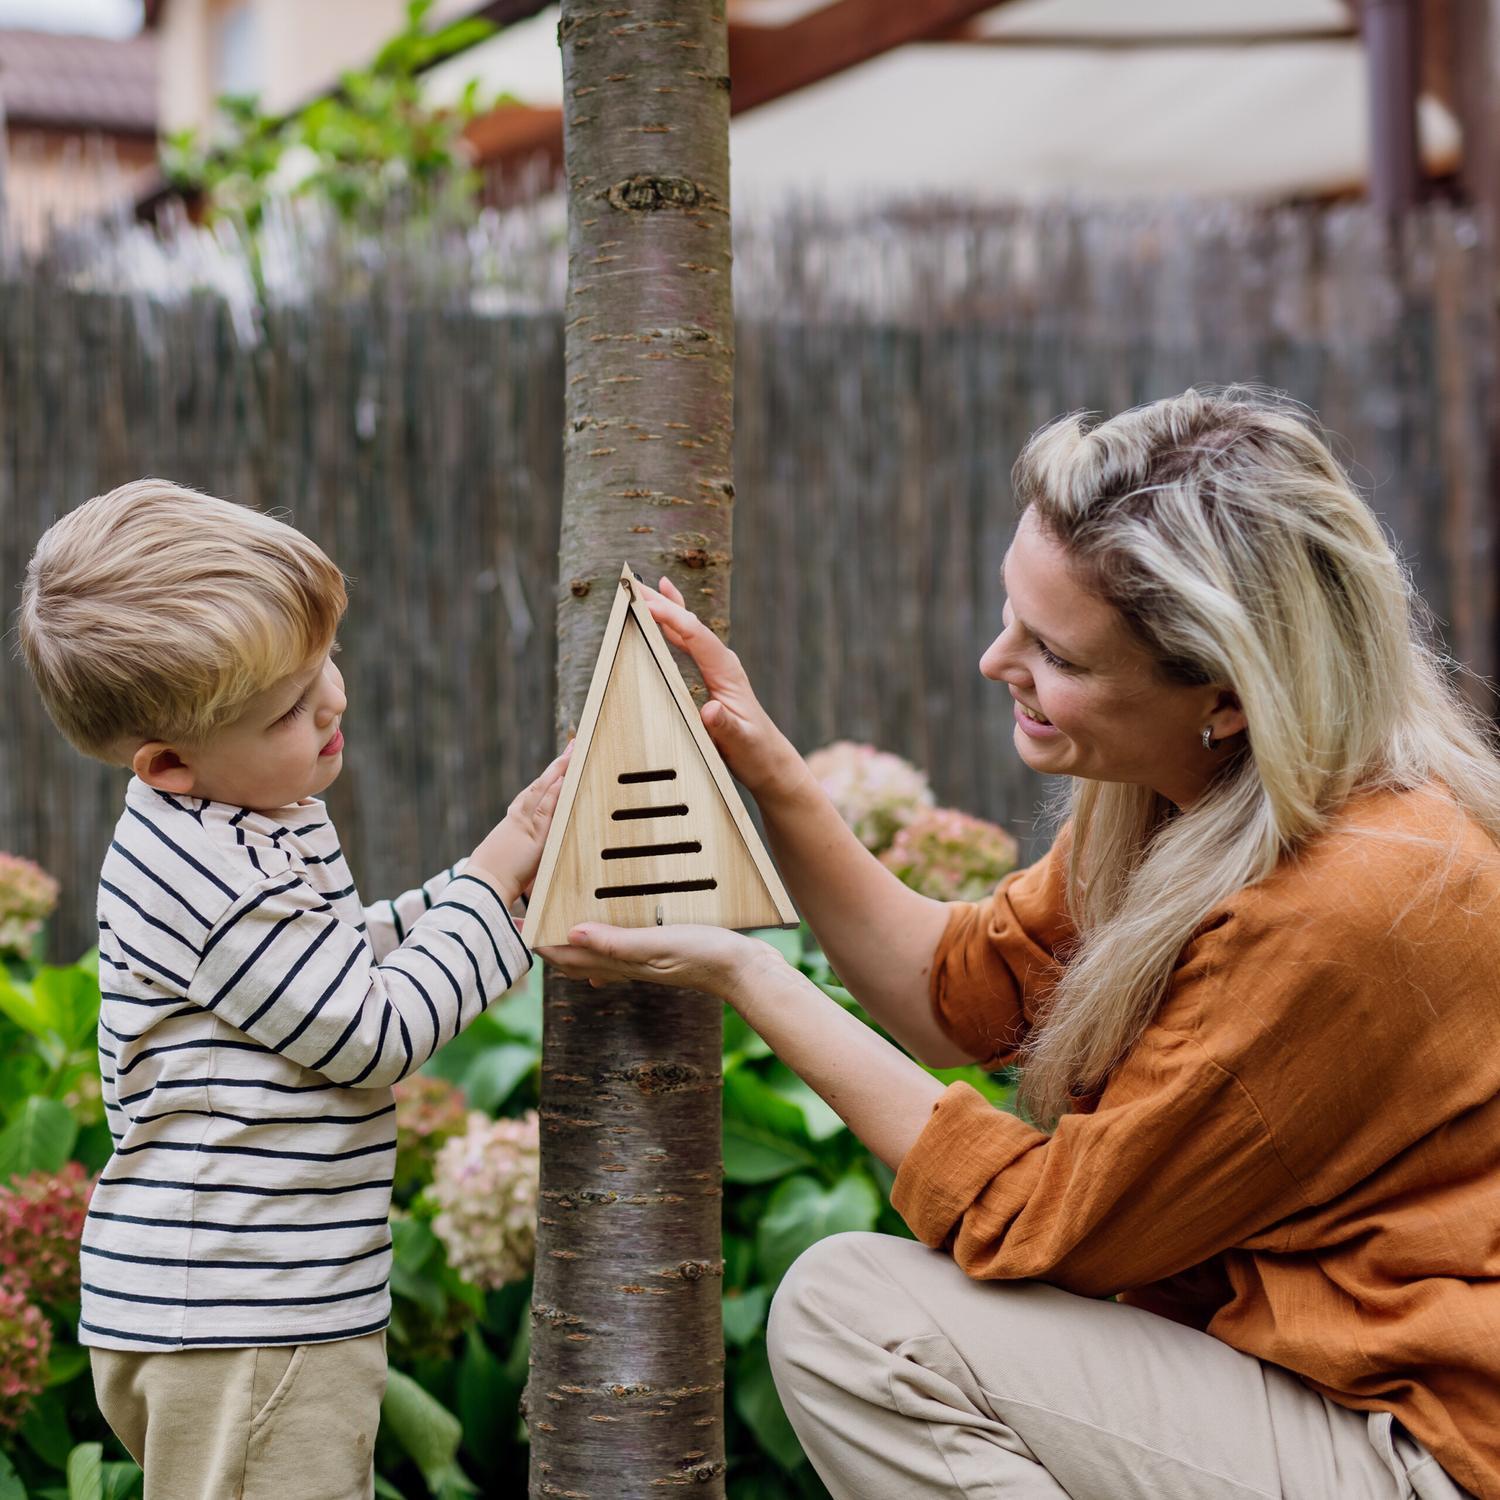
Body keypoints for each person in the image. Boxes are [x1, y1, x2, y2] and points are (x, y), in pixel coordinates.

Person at [539, 387, 1499, 1500]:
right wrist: (772, 777)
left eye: (1057, 654)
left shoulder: (1351, 902)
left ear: (1226, 696)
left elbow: (1057, 1227)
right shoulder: (1192, 799)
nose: (999, 663)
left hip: (1418, 1449)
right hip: (1304, 1387)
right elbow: (961, 997)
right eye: (1011, 614)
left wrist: (750, 975)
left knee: (858, 1321)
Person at [17, 479, 568, 1500]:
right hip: (246, 1318)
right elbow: (370, 1029)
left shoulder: (243, 811)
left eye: (327, 665)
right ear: (170, 762)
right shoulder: (210, 869)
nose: (332, 705)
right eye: (287, 709)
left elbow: (325, 968)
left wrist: (496, 888)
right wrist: (496, 885)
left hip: (237, 1309)